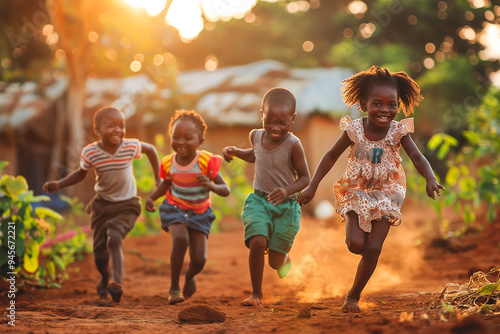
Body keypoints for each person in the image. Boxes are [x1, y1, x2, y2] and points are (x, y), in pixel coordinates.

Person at [297, 66, 445, 313]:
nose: (385, 110)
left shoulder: (399, 131)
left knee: (374, 247)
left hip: (388, 192)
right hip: (357, 190)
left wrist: (430, 178)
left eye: (392, 104)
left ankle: (353, 296)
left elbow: (418, 157)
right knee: (356, 245)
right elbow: (331, 155)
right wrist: (313, 185)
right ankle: (356, 237)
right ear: (364, 104)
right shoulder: (354, 130)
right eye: (378, 104)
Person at [43, 106, 160, 303]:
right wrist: (59, 184)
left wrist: (158, 178)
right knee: (99, 256)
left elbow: (151, 150)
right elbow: (81, 174)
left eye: (121, 126)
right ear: (97, 130)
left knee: (114, 239)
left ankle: (117, 283)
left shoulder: (130, 146)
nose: (118, 130)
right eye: (111, 126)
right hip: (101, 207)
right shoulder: (91, 152)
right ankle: (105, 277)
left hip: (127, 205)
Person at [223, 87, 310, 306]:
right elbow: (255, 155)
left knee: (275, 262)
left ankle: (284, 259)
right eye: (269, 120)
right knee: (257, 240)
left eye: (282, 122)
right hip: (259, 200)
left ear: (293, 119)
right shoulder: (256, 135)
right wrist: (236, 152)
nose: (275, 127)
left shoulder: (294, 145)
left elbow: (305, 178)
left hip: (285, 207)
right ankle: (256, 294)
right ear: (261, 113)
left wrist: (287, 190)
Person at [146, 109, 230, 305]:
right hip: (174, 208)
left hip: (200, 213)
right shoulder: (168, 163)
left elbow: (225, 189)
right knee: (181, 238)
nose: (181, 142)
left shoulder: (205, 161)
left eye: (188, 137)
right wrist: (151, 198)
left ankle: (190, 275)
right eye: (176, 137)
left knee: (199, 260)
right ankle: (174, 288)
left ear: (200, 142)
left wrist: (210, 185)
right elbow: (165, 184)